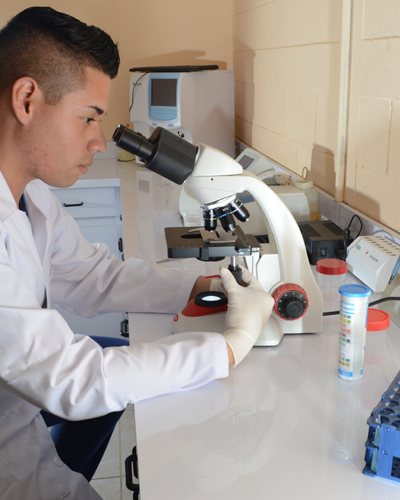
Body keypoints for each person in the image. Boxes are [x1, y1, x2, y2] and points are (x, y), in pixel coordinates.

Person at [0, 6, 274, 500]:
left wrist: (200, 284)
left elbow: (92, 276)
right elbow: (74, 379)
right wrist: (230, 346)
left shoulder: (30, 192)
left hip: (21, 420)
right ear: (26, 100)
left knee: (119, 359)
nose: (98, 141)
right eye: (88, 118)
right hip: (11, 467)